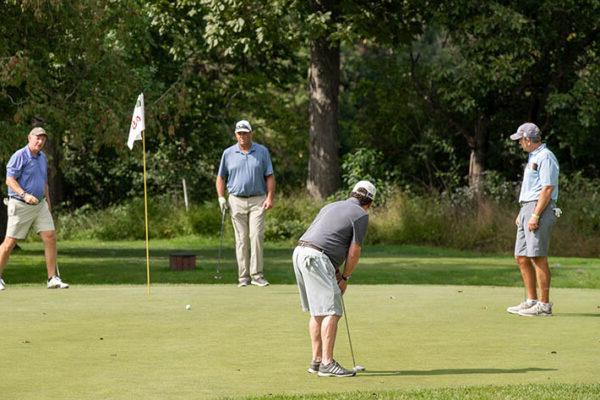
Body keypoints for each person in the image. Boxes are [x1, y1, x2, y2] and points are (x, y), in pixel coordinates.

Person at [292, 180, 375, 377]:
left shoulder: (331, 205)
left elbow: (326, 238)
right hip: (316, 257)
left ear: (352, 194)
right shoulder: (361, 215)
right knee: (332, 310)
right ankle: (328, 364)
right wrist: (345, 277)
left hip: (300, 252)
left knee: (318, 311)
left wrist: (336, 272)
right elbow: (354, 253)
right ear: (369, 203)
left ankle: (317, 361)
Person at [0, 127, 69, 291]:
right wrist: (24, 195)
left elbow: (44, 183)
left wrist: (48, 203)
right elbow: (10, 181)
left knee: (50, 236)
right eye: (37, 138)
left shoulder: (42, 157)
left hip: (40, 205)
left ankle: (52, 278)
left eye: (43, 139)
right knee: (9, 243)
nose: (40, 141)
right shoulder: (19, 156)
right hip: (20, 204)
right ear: (29, 138)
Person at [506, 122, 559, 317]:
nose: (519, 143)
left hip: (540, 208)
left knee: (537, 256)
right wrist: (523, 212)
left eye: (520, 140)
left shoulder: (546, 157)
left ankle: (544, 306)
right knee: (521, 256)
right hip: (528, 206)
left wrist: (535, 214)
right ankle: (531, 301)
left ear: (528, 140)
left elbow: (547, 188)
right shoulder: (533, 157)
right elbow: (532, 188)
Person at [216, 120, 275, 287]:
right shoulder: (228, 153)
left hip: (258, 199)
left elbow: (269, 176)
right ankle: (243, 278)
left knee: (256, 236)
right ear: (236, 134)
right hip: (236, 200)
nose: (242, 136)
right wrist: (221, 198)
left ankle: (257, 276)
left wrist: (270, 197)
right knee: (241, 239)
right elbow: (221, 177)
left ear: (251, 133)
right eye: (239, 133)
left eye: (245, 132)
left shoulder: (262, 151)